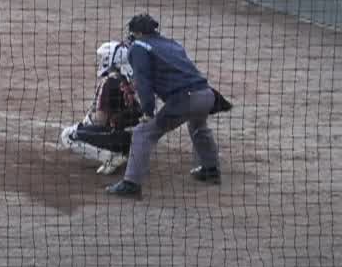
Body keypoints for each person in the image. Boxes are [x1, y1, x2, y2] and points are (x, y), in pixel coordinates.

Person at [106, 14, 232, 198]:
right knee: (198, 125)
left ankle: (131, 184)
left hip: (186, 98)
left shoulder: (139, 47)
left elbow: (144, 82)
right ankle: (211, 169)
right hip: (207, 95)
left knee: (144, 132)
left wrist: (148, 111)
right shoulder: (171, 43)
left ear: (139, 33)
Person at [58, 41, 142, 175]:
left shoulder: (108, 82)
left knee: (68, 135)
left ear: (111, 60)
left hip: (119, 138)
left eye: (103, 58)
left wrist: (86, 124)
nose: (101, 61)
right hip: (138, 138)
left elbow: (100, 120)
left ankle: (111, 157)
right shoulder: (129, 78)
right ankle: (123, 153)